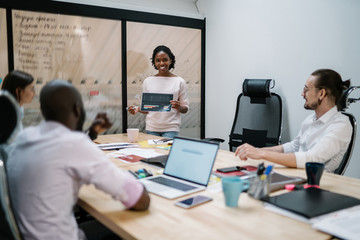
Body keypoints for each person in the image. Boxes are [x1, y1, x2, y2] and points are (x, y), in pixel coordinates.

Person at [7, 79, 150, 240]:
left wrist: (91, 132)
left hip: (27, 234)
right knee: (136, 227)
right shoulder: (73, 144)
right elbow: (139, 200)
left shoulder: (24, 137)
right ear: (77, 109)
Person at [235, 69, 352, 173]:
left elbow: (311, 159)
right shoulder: (310, 120)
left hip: (315, 185)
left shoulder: (341, 125)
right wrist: (255, 150)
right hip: (294, 175)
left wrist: (261, 154)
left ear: (321, 93)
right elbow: (293, 147)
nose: (302, 94)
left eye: (306, 89)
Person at [1, 70, 110, 140]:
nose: (34, 92)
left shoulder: (17, 110)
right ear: (18, 91)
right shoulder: (7, 115)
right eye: (31, 88)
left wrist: (92, 133)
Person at [128, 45, 189, 138]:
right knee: (153, 152)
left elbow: (185, 109)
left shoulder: (179, 81)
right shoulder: (148, 81)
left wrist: (179, 107)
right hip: (151, 129)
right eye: (158, 60)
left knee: (167, 152)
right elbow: (148, 108)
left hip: (171, 129)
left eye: (165, 60)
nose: (161, 63)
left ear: (170, 60)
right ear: (154, 62)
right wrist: (136, 109)